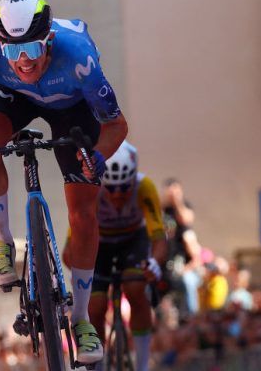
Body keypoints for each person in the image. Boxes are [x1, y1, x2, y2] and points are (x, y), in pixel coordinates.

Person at [0, 0, 127, 364]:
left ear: (48, 39)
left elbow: (116, 125)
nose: (23, 61)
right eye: (12, 52)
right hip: (14, 99)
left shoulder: (79, 57)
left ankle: (81, 320)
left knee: (83, 212)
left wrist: (97, 158)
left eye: (30, 49)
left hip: (72, 106)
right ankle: (2, 242)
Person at [62, 141, 166, 371]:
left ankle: (142, 364)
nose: (118, 196)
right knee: (95, 305)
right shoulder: (92, 189)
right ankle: (97, 365)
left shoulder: (145, 186)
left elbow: (159, 236)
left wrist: (154, 264)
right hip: (99, 244)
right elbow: (71, 248)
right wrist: (79, 273)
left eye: (124, 188)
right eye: (112, 189)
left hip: (133, 241)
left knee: (136, 289)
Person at [161, 178, 202, 318]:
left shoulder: (186, 233)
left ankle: (191, 316)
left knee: (188, 281)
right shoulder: (163, 210)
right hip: (167, 265)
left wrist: (177, 201)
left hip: (186, 267)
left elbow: (186, 219)